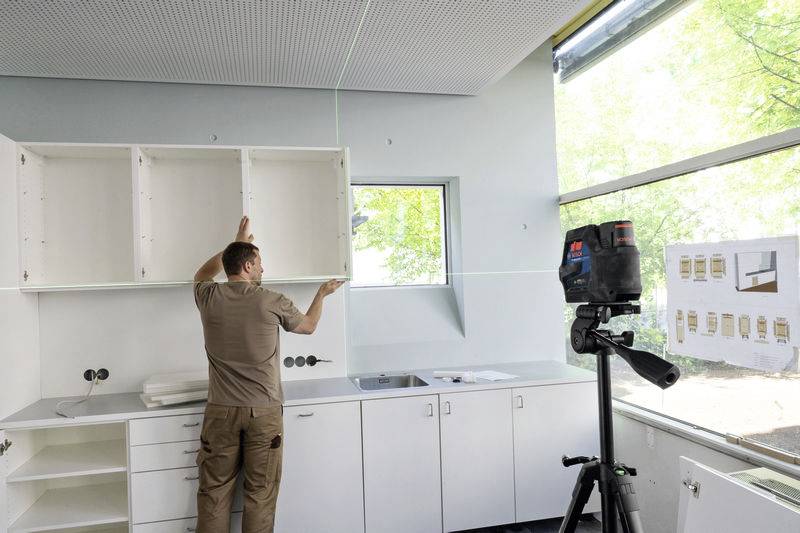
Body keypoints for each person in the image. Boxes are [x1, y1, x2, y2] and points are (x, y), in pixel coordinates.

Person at [192, 216, 343, 533]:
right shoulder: (271, 300)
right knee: (260, 494)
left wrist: (235, 244)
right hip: (264, 412)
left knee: (214, 492)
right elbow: (309, 326)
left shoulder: (208, 297)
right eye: (258, 263)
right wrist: (322, 294)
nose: (263, 269)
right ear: (247, 267)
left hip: (220, 411)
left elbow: (202, 273)